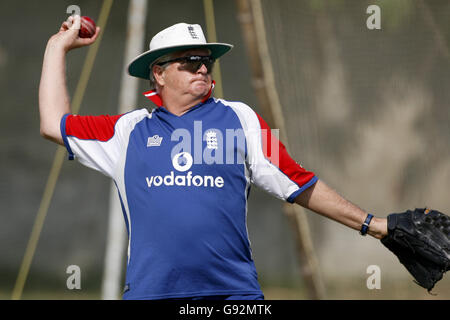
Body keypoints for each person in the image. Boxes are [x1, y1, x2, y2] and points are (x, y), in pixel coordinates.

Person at [39, 16, 388, 300]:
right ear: (158, 73)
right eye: (190, 62)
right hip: (152, 295)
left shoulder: (240, 118)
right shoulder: (128, 131)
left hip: (233, 297)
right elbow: (54, 124)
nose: (203, 69)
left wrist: (373, 225)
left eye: (206, 61)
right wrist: (57, 47)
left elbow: (298, 182)